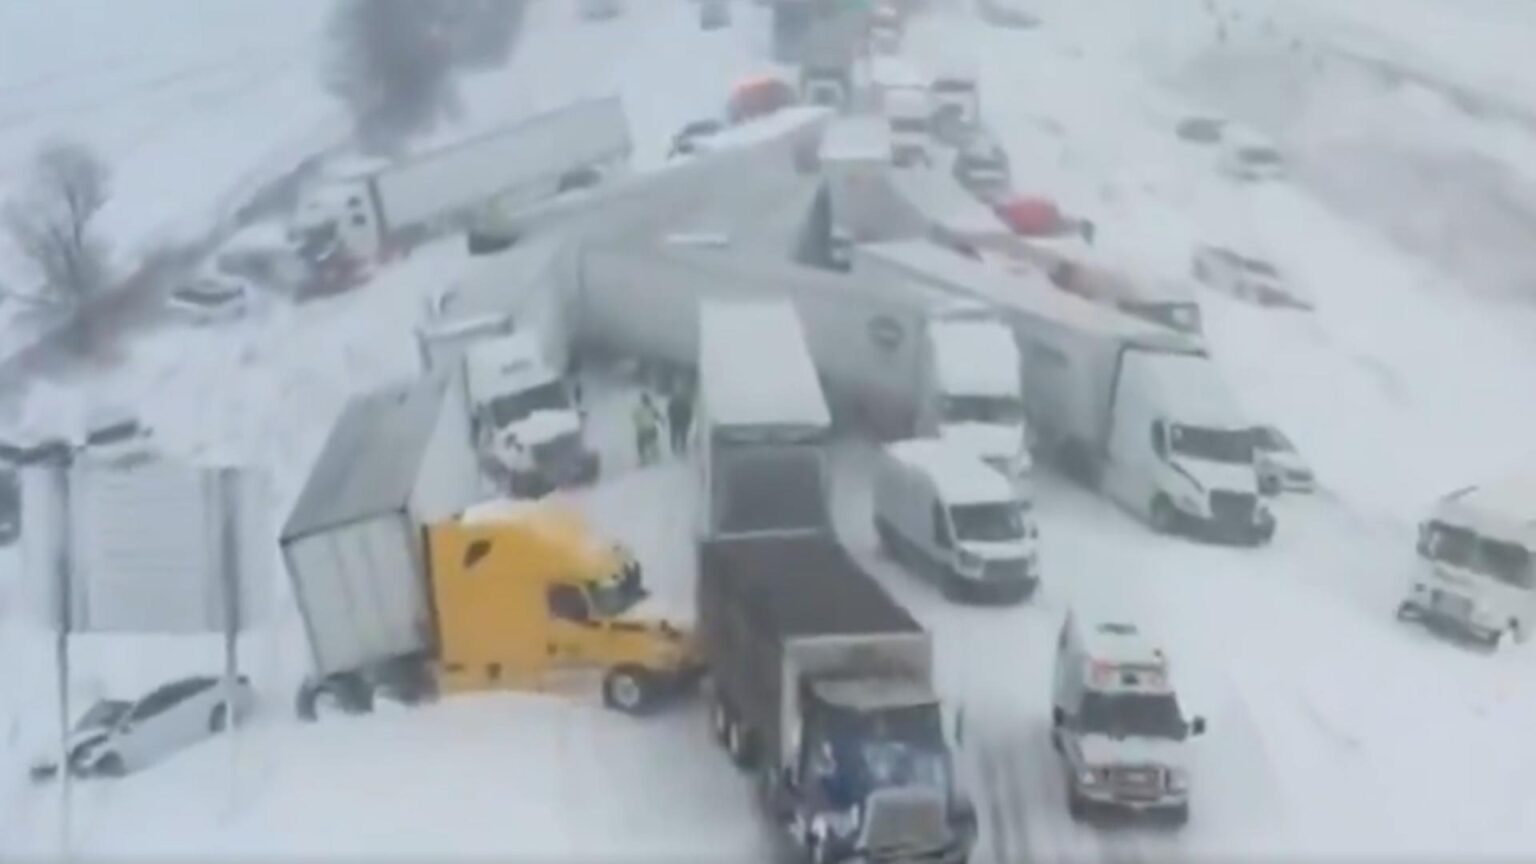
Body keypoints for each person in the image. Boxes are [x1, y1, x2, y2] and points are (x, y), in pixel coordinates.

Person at [632, 392, 663, 466]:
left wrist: (638, 424)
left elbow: (634, 418)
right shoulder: (651, 408)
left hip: (642, 429)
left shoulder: (639, 408)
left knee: (641, 444)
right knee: (650, 442)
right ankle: (653, 455)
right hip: (649, 428)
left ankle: (645, 458)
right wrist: (662, 421)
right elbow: (658, 416)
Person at [667, 384, 694, 456]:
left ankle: (674, 449)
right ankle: (682, 449)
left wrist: (670, 418)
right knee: (683, 436)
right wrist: (689, 421)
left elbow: (669, 410)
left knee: (674, 435)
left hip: (675, 421)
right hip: (682, 422)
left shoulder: (673, 401)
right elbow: (689, 411)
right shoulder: (685, 401)